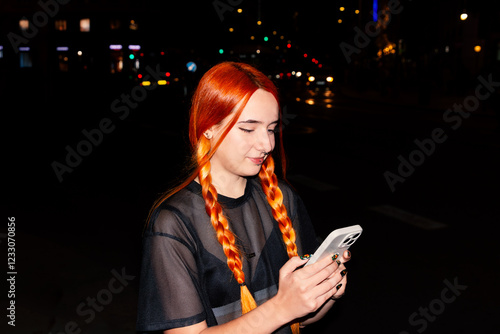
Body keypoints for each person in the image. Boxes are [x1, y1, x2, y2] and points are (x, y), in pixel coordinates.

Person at [136, 62, 350, 334]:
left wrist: (326, 292)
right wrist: (281, 308)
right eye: (248, 129)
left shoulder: (283, 198)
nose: (267, 144)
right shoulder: (174, 223)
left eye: (271, 128)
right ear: (208, 127)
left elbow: (302, 318)